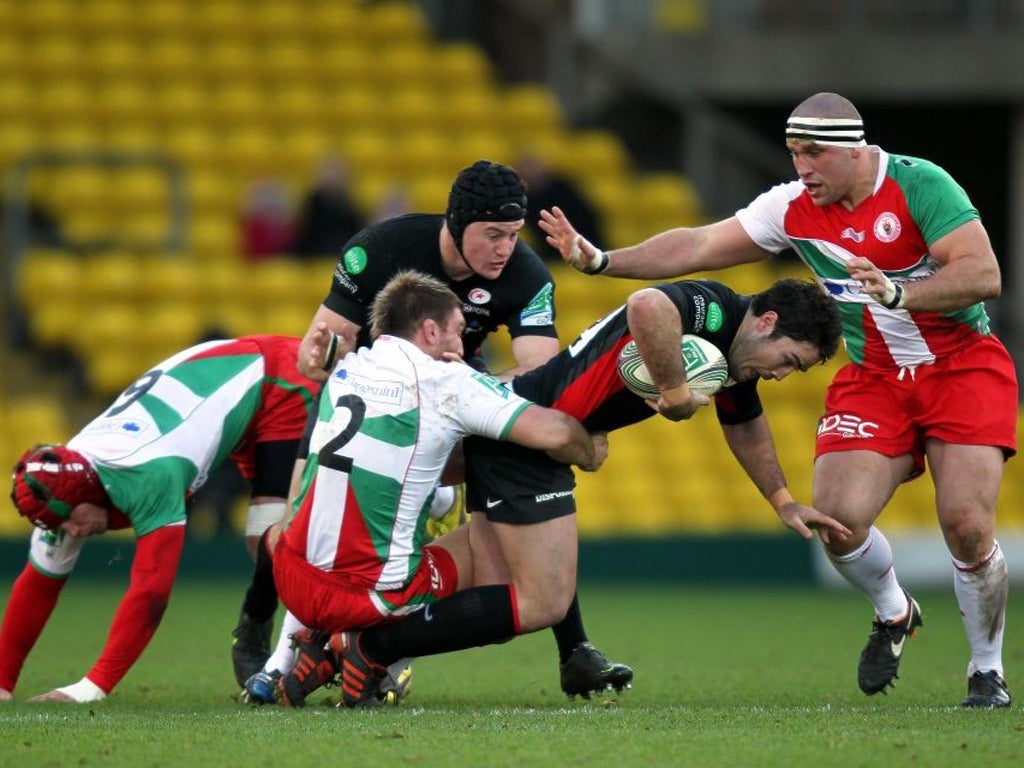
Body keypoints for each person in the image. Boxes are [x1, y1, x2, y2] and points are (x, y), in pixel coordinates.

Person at [539, 92, 1017, 709]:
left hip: (961, 364)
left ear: (853, 148)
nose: (803, 167)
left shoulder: (920, 184)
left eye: (814, 153)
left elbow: (985, 275)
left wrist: (899, 293)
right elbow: (696, 246)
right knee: (838, 524)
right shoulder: (792, 207)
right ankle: (894, 612)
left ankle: (986, 672)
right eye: (794, 153)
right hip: (873, 376)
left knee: (968, 525)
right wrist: (604, 261)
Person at [276, 276, 850, 708]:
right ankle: (367, 649)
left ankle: (332, 636)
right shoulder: (713, 309)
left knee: (485, 562)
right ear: (768, 322)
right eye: (789, 362)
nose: (781, 375)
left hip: (527, 429)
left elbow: (744, 423)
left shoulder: (735, 362)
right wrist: (661, 397)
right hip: (533, 435)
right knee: (538, 598)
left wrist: (781, 501)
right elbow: (646, 304)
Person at [246, 159, 631, 700]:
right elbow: (321, 355)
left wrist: (458, 390)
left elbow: (540, 376)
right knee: (315, 527)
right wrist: (340, 359)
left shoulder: (526, 275)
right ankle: (281, 654)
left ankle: (564, 648)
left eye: (514, 235)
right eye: (493, 234)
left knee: (491, 492)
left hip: (455, 399)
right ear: (456, 223)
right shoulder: (381, 248)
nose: (505, 248)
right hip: (373, 398)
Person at [0, 335, 319, 703]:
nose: (70, 532)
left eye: (70, 521)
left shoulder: (146, 472)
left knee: (275, 536)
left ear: (87, 491)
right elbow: (37, 585)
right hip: (235, 392)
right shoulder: (68, 483)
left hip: (278, 379)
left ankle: (285, 645)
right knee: (266, 546)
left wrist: (91, 688)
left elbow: (151, 591)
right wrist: (4, 683)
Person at [515, 150, 604, 263]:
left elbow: (587, 218)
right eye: (526, 167)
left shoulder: (565, 189)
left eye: (533, 166)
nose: (531, 172)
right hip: (548, 256)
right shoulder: (519, 200)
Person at [292, 156, 364, 258]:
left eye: (336, 172)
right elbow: (303, 234)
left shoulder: (351, 204)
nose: (333, 176)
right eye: (329, 171)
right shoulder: (311, 204)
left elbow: (355, 234)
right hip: (314, 257)